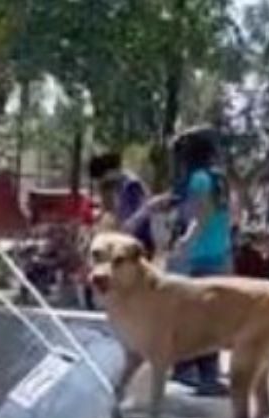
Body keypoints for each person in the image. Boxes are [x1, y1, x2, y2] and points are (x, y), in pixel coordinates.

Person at [169, 127, 232, 396]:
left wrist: (185, 242)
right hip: (221, 255)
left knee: (187, 314)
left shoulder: (198, 179)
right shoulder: (220, 179)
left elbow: (201, 214)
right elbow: (230, 214)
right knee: (213, 317)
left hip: (198, 257)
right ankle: (209, 373)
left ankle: (185, 369)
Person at [89, 151, 154, 256]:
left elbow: (137, 219)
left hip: (138, 247)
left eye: (102, 178)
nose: (101, 182)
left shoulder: (131, 186)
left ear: (110, 171)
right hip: (122, 244)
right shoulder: (114, 186)